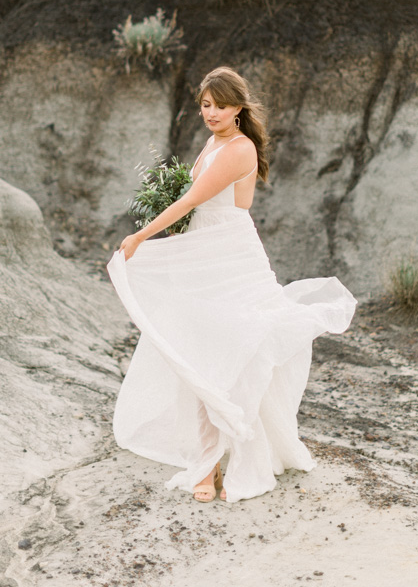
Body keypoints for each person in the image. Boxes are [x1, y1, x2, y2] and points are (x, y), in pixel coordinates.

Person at [107, 66, 357, 503]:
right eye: (206, 105)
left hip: (231, 261)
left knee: (230, 356)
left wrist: (141, 235)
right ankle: (209, 461)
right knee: (200, 352)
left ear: (238, 108)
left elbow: (192, 200)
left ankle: (213, 466)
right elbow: (191, 201)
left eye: (221, 105)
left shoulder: (239, 149)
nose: (212, 113)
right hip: (205, 255)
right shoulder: (213, 141)